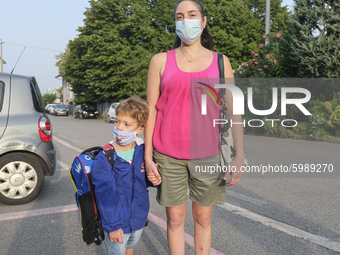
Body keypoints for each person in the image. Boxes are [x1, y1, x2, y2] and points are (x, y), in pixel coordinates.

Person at [145, 0, 246, 254]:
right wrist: (147, 156)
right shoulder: (160, 61)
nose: (185, 20)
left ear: (203, 22)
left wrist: (239, 155)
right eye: (179, 17)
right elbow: (151, 111)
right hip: (168, 155)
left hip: (210, 154)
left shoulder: (221, 62)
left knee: (202, 219)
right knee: (175, 220)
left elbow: (234, 111)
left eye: (191, 15)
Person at [92, 96, 152, 255]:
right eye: (117, 121)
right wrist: (113, 226)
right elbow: (105, 194)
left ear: (139, 129)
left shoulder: (142, 150)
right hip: (117, 222)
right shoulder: (106, 155)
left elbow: (143, 181)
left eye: (127, 124)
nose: (119, 128)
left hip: (137, 218)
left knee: (130, 249)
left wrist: (154, 178)